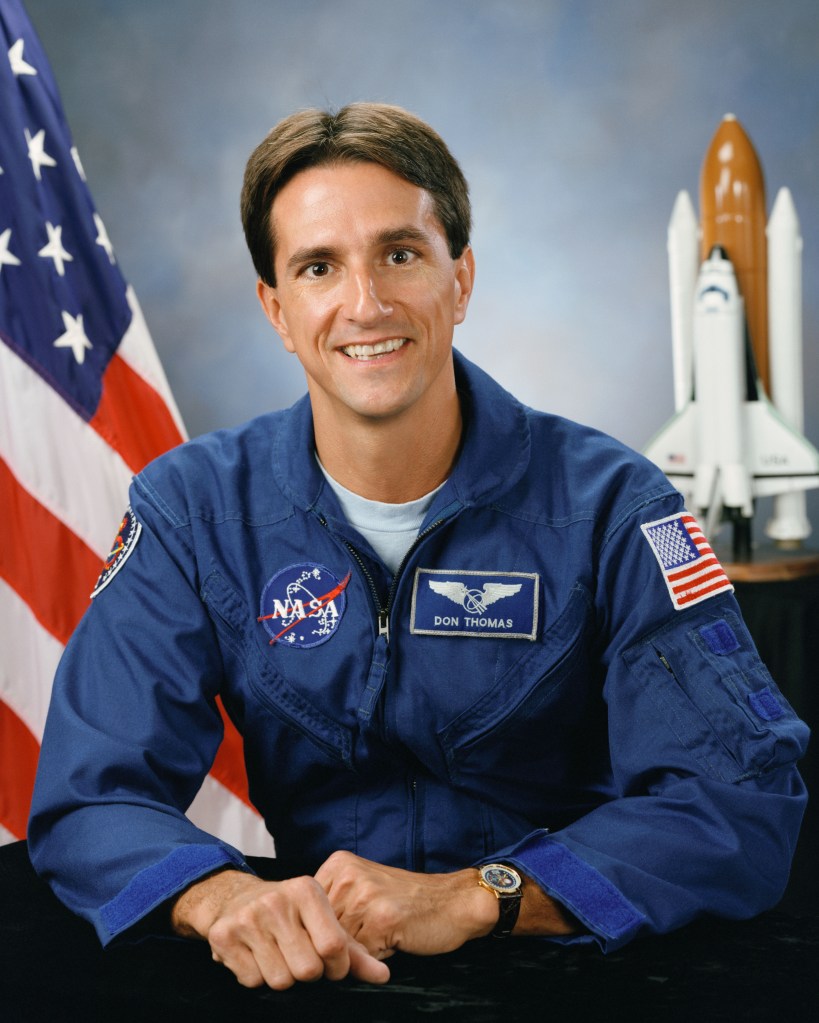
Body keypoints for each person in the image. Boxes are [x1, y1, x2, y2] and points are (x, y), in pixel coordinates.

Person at [29, 102, 809, 991]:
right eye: (319, 266)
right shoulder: (194, 512)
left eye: (400, 254)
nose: (366, 304)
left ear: (460, 279)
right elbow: (92, 793)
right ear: (277, 310)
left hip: (570, 969)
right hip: (318, 972)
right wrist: (221, 897)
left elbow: (737, 799)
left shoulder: (614, 507)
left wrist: (484, 894)